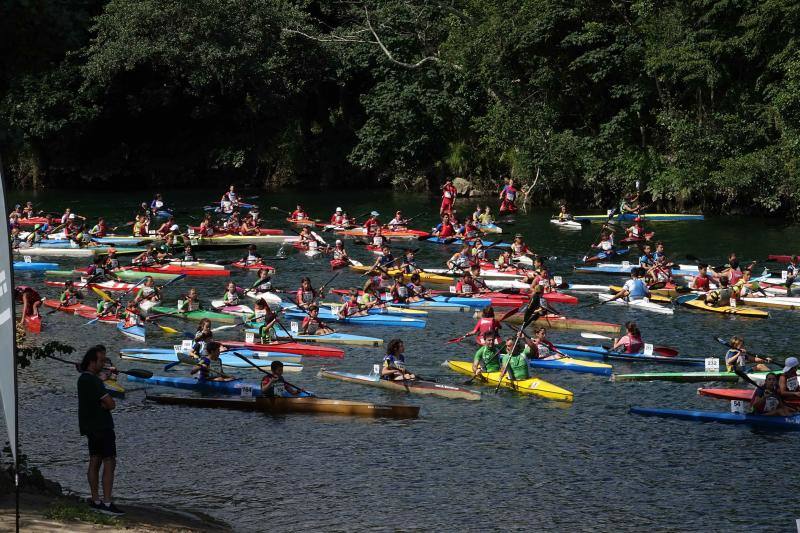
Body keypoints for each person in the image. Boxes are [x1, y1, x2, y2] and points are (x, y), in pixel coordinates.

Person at [78, 345, 123, 516]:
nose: (103, 363)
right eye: (101, 360)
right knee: (109, 462)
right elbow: (111, 404)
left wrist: (104, 377)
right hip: (102, 427)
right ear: (92, 362)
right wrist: (103, 382)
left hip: (90, 428)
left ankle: (95, 500)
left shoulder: (83, 379)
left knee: (94, 460)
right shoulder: (94, 381)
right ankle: (107, 502)